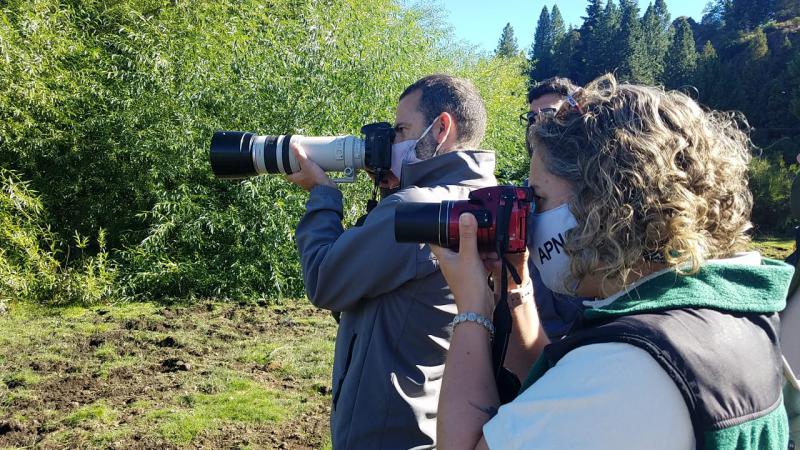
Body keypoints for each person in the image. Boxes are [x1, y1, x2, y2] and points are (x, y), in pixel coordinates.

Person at [432, 74, 791, 449]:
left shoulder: (627, 366)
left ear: (603, 204)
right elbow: (550, 394)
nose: (530, 218)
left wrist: (472, 307)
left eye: (537, 199)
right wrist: (514, 285)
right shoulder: (722, 315)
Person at [286, 74, 497, 449]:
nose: (393, 142)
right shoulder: (480, 199)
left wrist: (323, 195)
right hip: (430, 422)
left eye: (401, 130)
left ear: (442, 127)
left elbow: (325, 281)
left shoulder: (415, 210)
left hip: (384, 431)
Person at [522, 76, 590, 339]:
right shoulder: (526, 191)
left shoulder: (603, 193)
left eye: (550, 115)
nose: (538, 126)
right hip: (534, 338)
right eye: (532, 119)